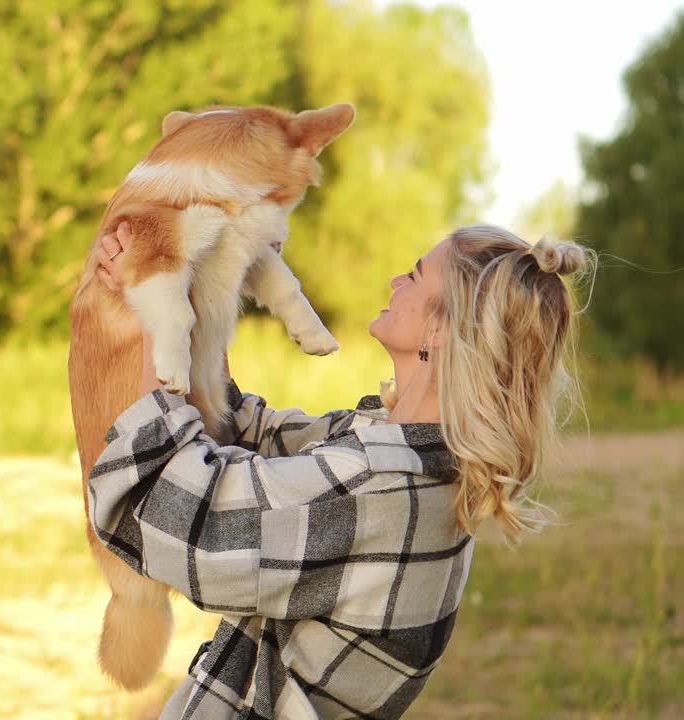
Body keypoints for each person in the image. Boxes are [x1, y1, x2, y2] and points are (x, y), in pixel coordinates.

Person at [87, 222, 591, 719]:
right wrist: (195, 295)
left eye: (415, 276)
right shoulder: (411, 458)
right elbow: (249, 433)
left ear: (439, 328)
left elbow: (174, 520)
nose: (398, 281)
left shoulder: (379, 484)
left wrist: (152, 322)